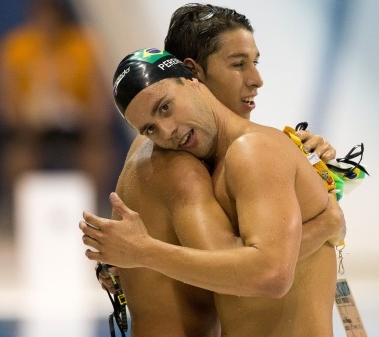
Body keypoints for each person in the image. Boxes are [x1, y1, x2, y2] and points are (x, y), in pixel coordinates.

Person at [81, 48, 344, 337]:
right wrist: (325, 225)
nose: (166, 131)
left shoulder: (234, 153)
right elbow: (258, 274)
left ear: (194, 79)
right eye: (150, 128)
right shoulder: (180, 167)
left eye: (166, 107)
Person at [0, 0, 119, 215]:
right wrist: (24, 115)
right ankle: (24, 216)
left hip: (77, 127)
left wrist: (79, 112)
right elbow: (3, 101)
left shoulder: (84, 44)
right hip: (30, 128)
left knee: (98, 149)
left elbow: (100, 103)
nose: (47, 20)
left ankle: (93, 214)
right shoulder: (15, 46)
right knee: (18, 153)